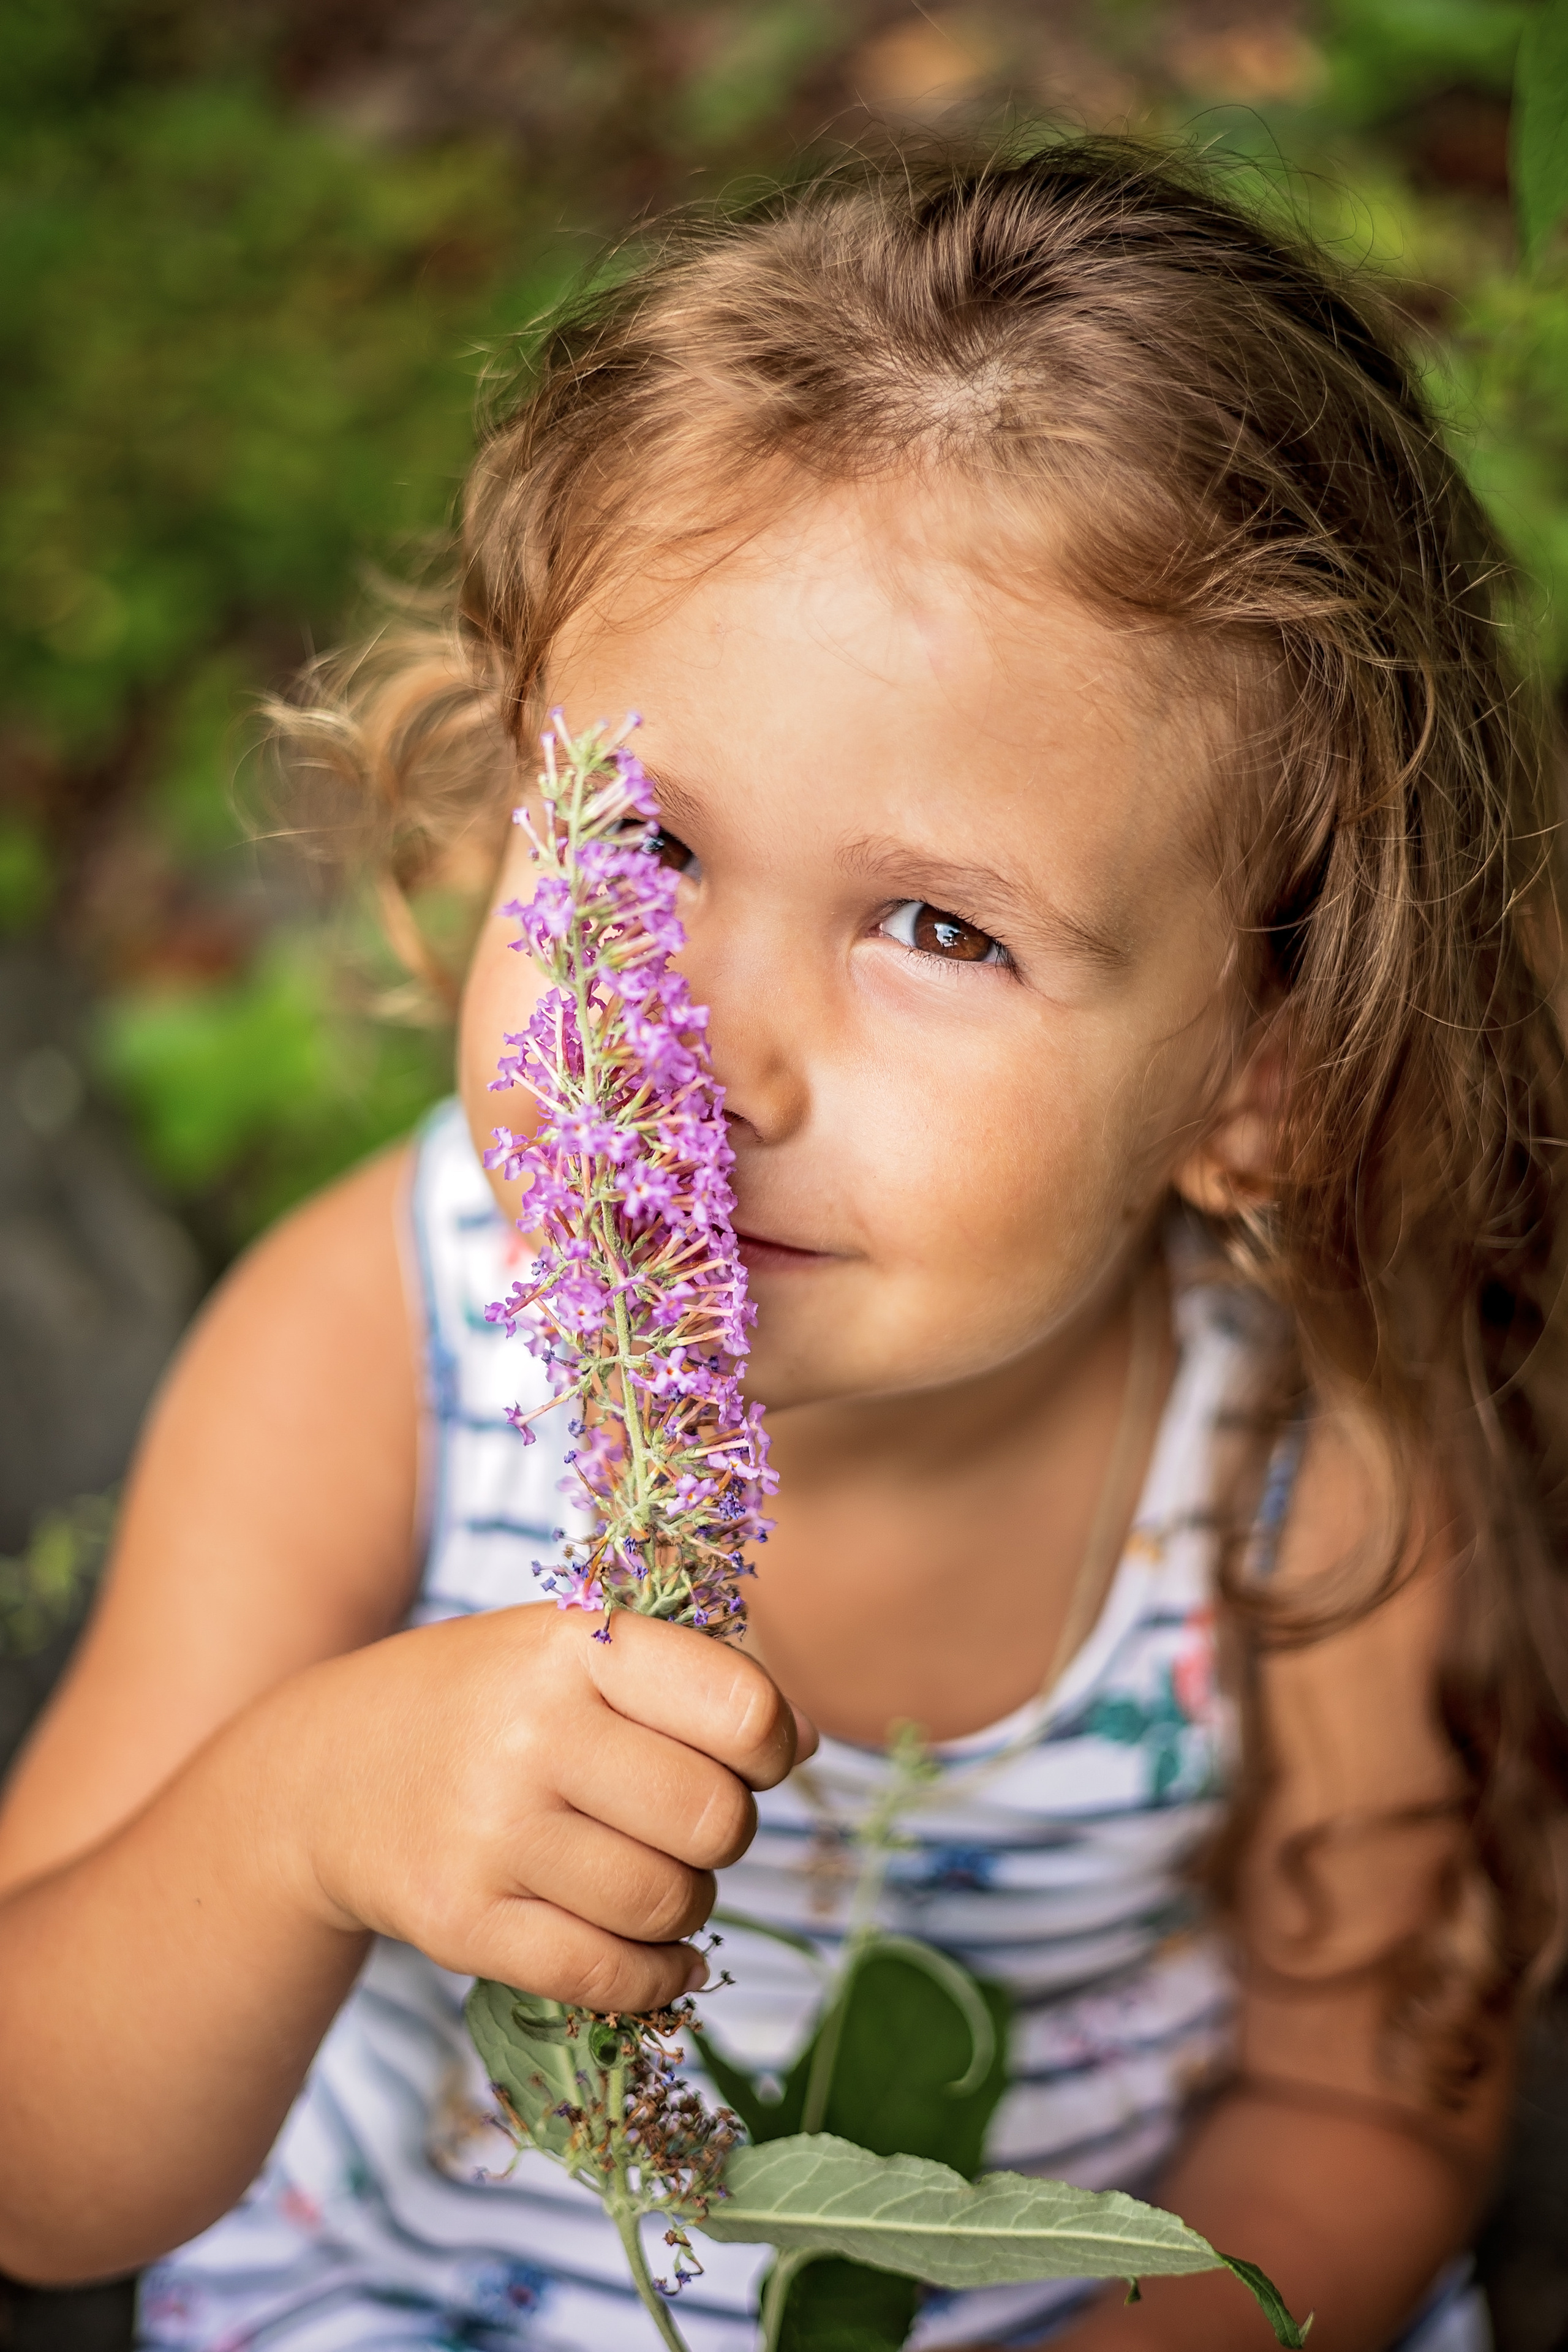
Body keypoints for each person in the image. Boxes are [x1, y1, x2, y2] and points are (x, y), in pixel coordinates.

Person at [0, 137, 1563, 2352]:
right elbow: (41, 2172)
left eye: (939, 926)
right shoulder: (375, 1345)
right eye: (639, 839)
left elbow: (1370, 2113)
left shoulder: (1301, 1483)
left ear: (1265, 1071)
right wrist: (294, 1824)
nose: (700, 1053)